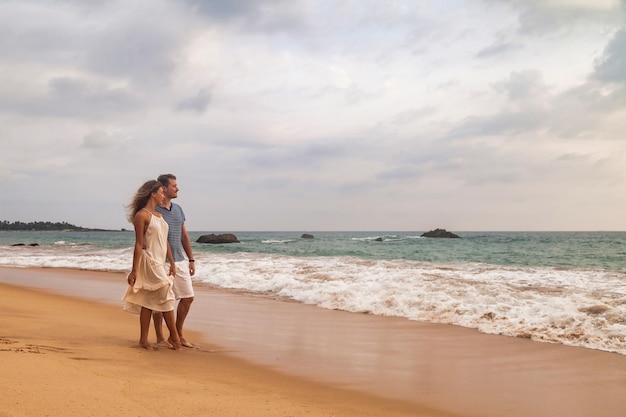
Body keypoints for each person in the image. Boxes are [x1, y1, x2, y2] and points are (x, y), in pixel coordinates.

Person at [122, 180, 182, 351]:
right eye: (162, 192)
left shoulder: (160, 216)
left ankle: (143, 339)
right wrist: (134, 271)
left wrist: (171, 262)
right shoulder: (142, 215)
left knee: (148, 301)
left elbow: (165, 242)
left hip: (160, 263)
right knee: (167, 296)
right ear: (152, 193)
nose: (164, 195)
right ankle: (176, 339)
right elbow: (138, 244)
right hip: (148, 262)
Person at [152, 174, 196, 348]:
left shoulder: (178, 209)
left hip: (179, 259)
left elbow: (184, 235)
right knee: (160, 299)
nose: (177, 189)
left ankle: (176, 333)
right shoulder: (154, 209)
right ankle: (160, 336)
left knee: (188, 297)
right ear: (163, 188)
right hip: (160, 261)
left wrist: (191, 259)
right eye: (174, 186)